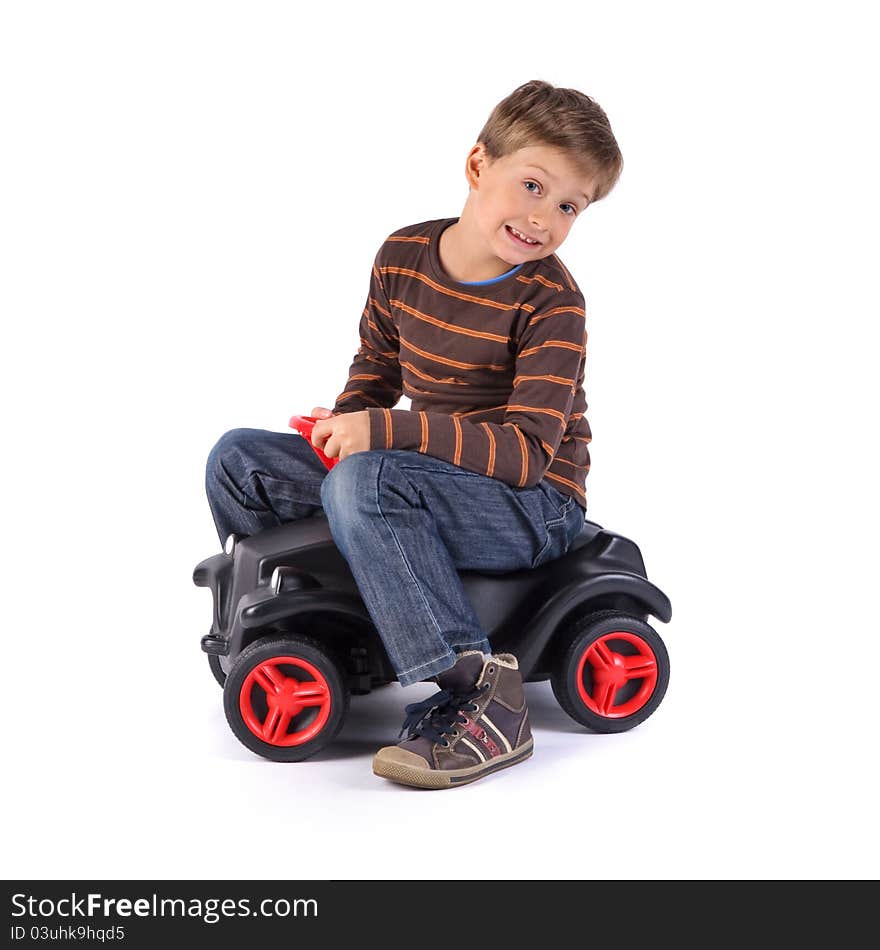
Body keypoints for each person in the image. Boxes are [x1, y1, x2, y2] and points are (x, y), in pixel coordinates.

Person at [205, 78, 623, 789]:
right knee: (238, 458)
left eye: (567, 207)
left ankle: (477, 686)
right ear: (477, 166)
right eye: (531, 185)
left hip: (528, 502)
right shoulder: (403, 256)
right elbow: (374, 374)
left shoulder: (553, 304)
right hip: (423, 477)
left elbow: (524, 455)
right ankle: (332, 615)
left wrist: (385, 436)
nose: (542, 218)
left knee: (369, 478)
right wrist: (345, 426)